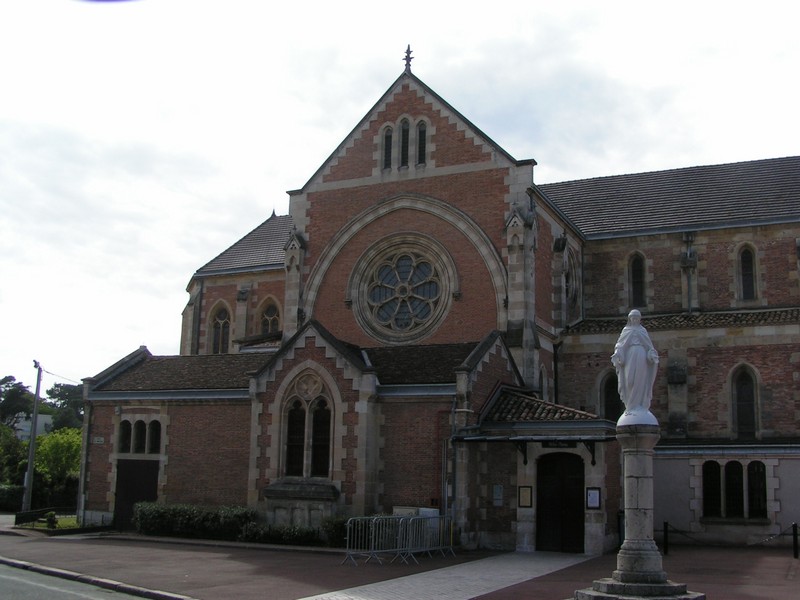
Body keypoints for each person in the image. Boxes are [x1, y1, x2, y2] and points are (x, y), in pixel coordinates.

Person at [611, 309, 659, 417]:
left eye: (637, 318)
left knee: (640, 380)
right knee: (630, 380)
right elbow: (620, 344)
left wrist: (651, 355)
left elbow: (649, 347)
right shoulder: (626, 330)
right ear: (630, 319)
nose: (635, 320)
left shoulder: (643, 331)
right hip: (630, 356)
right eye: (633, 318)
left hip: (641, 355)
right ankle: (630, 406)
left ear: (639, 319)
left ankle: (639, 406)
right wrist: (618, 353)